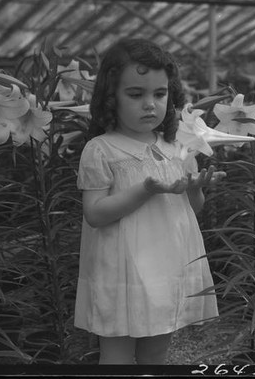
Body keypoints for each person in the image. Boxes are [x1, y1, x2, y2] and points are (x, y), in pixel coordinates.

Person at [74, 38, 225, 365]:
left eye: (159, 94)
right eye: (135, 94)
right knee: (115, 355)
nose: (150, 104)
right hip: (120, 273)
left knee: (156, 353)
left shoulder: (179, 147)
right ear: (110, 96)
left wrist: (196, 189)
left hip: (167, 269)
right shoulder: (101, 150)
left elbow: (190, 211)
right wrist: (145, 189)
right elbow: (95, 215)